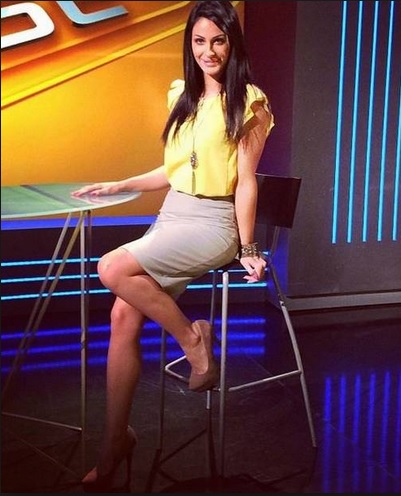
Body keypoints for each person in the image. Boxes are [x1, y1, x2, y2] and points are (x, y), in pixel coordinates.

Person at [71, 0, 274, 492]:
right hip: (173, 216)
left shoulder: (250, 102)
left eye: (218, 41)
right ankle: (114, 443)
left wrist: (248, 247)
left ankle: (192, 341)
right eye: (200, 41)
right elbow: (175, 169)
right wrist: (122, 184)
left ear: (232, 44)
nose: (209, 51)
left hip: (214, 223)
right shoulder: (181, 94)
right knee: (123, 314)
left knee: (110, 267)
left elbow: (246, 181)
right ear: (190, 44)